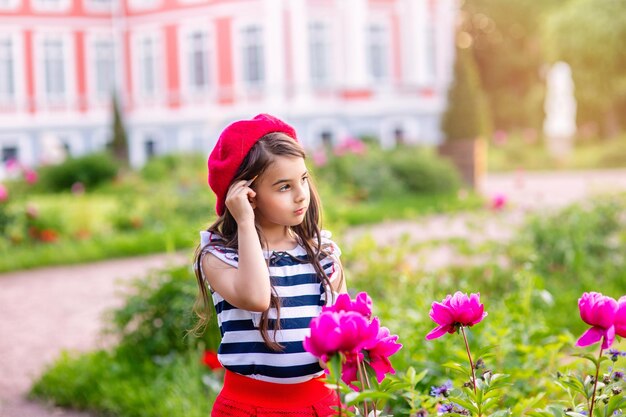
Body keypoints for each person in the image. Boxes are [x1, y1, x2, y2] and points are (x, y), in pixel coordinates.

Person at [192, 114, 347, 417]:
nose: (301, 194)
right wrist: (245, 223)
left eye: (302, 179)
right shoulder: (220, 256)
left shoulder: (324, 253)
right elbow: (256, 298)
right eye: (283, 187)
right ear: (247, 195)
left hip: (321, 404)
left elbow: (342, 330)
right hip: (248, 407)